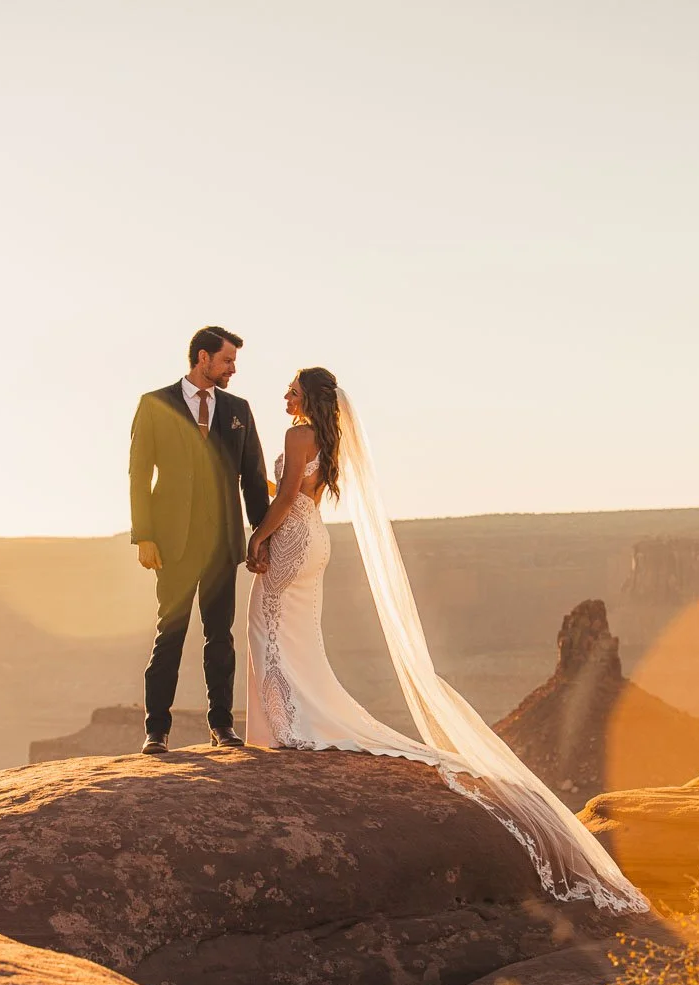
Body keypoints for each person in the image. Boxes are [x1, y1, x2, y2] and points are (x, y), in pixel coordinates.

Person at [245, 368, 648, 915]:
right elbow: (302, 491)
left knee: (267, 629)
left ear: (309, 396)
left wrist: (259, 533)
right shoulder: (326, 437)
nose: (284, 396)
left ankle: (286, 726)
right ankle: (294, 721)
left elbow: (290, 493)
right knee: (295, 635)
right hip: (315, 541)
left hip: (292, 535)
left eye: (291, 388)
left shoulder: (298, 434)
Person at [130, 326, 269, 754]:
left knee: (220, 637)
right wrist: (144, 536)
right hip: (172, 544)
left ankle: (222, 727)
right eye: (228, 360)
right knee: (169, 634)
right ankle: (157, 732)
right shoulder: (154, 404)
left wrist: (260, 534)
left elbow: (253, 480)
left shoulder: (238, 409)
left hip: (221, 543)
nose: (233, 369)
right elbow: (139, 472)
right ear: (203, 357)